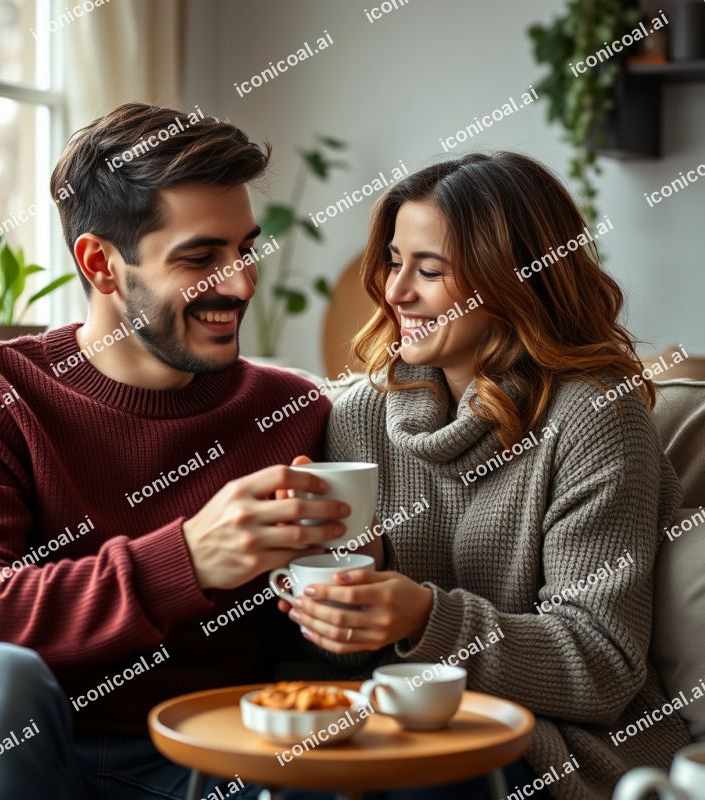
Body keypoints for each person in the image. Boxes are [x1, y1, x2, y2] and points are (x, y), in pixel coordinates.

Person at [0, 103, 354, 800]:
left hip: (209, 760)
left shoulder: (293, 410)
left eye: (245, 250)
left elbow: (318, 651)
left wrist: (349, 588)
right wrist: (186, 561)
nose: (240, 283)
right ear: (102, 265)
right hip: (19, 756)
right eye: (201, 258)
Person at [278, 152, 691, 799]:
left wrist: (425, 618)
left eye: (429, 270)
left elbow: (602, 665)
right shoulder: (358, 416)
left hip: (553, 744)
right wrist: (345, 594)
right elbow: (343, 659)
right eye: (393, 261)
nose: (396, 292)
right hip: (390, 720)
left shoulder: (594, 419)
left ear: (510, 281)